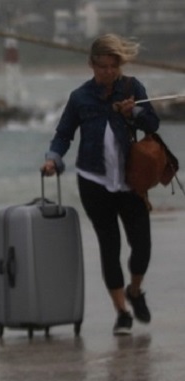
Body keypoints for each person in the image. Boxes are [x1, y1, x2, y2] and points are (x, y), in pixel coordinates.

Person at [41, 34, 159, 336]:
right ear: (91, 64)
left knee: (142, 245)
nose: (107, 72)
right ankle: (121, 312)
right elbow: (63, 134)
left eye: (113, 66)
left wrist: (133, 111)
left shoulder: (133, 88)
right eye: (101, 66)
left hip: (131, 181)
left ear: (119, 64)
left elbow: (153, 124)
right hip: (93, 181)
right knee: (110, 246)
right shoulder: (80, 97)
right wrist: (53, 158)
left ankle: (135, 290)